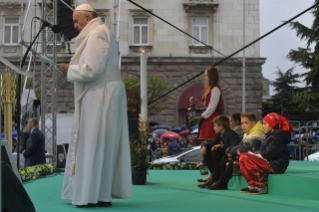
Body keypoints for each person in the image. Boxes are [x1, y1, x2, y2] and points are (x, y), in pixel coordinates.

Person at [58, 4, 132, 207]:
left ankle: (93, 195)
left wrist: (69, 69)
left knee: (94, 143)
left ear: (88, 18)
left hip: (102, 92)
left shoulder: (98, 33)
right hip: (102, 91)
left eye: (77, 21)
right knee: (100, 145)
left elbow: (93, 69)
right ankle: (98, 194)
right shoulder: (101, 31)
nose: (75, 26)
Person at [238, 113, 293, 195]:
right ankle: (252, 184)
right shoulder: (268, 136)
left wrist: (251, 153)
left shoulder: (277, 137)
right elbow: (261, 151)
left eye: (264, 124)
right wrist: (250, 151)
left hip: (276, 165)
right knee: (243, 157)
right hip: (269, 162)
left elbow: (267, 154)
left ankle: (260, 185)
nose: (262, 126)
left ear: (272, 125)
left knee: (246, 157)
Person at [197, 115, 241, 188]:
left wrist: (222, 146)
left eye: (215, 126)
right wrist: (204, 146)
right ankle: (214, 176)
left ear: (221, 126)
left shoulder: (231, 134)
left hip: (231, 156)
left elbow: (235, 148)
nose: (213, 128)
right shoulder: (220, 135)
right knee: (208, 150)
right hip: (224, 156)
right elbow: (212, 144)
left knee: (216, 151)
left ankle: (216, 178)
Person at [189, 67, 223, 142]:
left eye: (206, 76)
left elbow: (212, 107)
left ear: (211, 76)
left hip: (212, 118)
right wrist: (196, 101)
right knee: (206, 141)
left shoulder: (215, 89)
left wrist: (201, 116)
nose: (205, 78)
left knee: (209, 140)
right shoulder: (212, 89)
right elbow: (207, 106)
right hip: (209, 117)